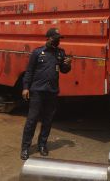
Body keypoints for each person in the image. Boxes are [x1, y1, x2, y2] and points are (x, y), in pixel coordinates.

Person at [20, 28, 72, 160]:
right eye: (55, 38)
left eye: (59, 39)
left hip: (52, 92)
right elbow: (29, 71)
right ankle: (25, 147)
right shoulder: (38, 52)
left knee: (48, 120)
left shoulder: (60, 53)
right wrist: (26, 87)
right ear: (48, 38)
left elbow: (64, 71)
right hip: (37, 91)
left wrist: (68, 65)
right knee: (32, 120)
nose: (58, 41)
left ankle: (42, 145)